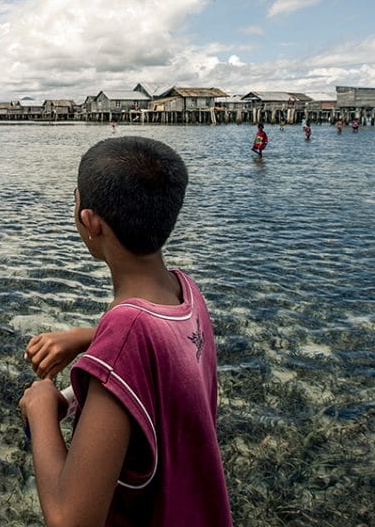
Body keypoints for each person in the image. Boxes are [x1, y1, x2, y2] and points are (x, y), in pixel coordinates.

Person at [20, 137, 232, 527]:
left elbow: (71, 519)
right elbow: (163, 346)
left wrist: (41, 410)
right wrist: (89, 337)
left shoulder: (126, 335)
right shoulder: (185, 292)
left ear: (89, 221)